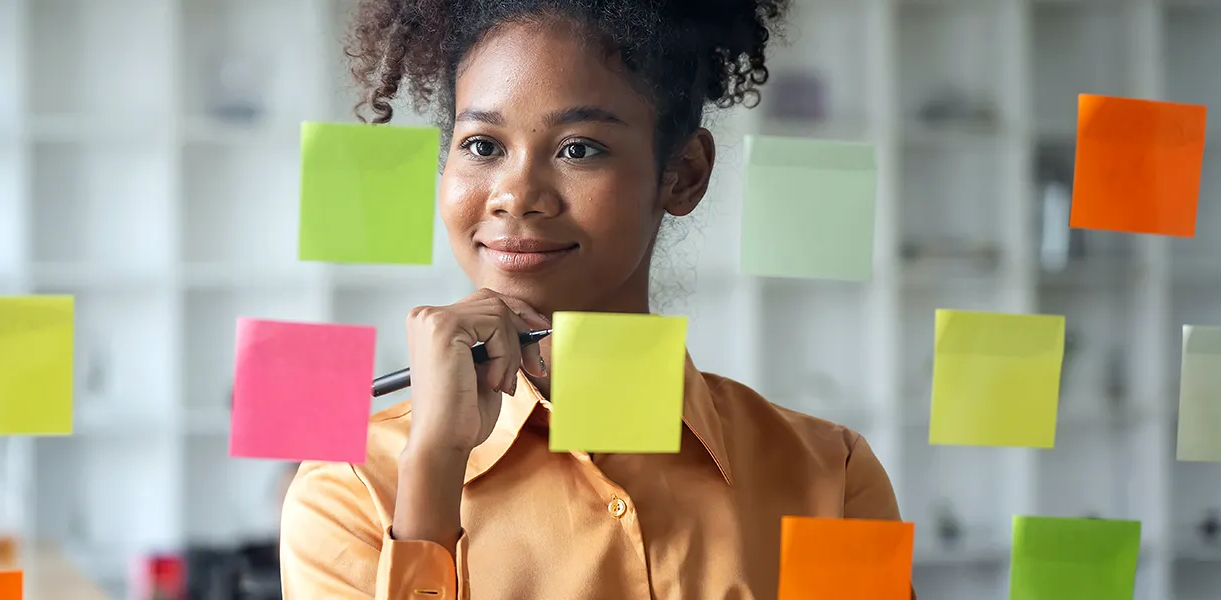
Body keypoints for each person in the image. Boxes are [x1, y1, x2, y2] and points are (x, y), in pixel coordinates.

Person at [280, 1, 913, 597]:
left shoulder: (831, 475)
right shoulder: (349, 489)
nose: (517, 194)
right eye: (483, 146)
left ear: (684, 173)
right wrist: (433, 474)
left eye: (579, 149)